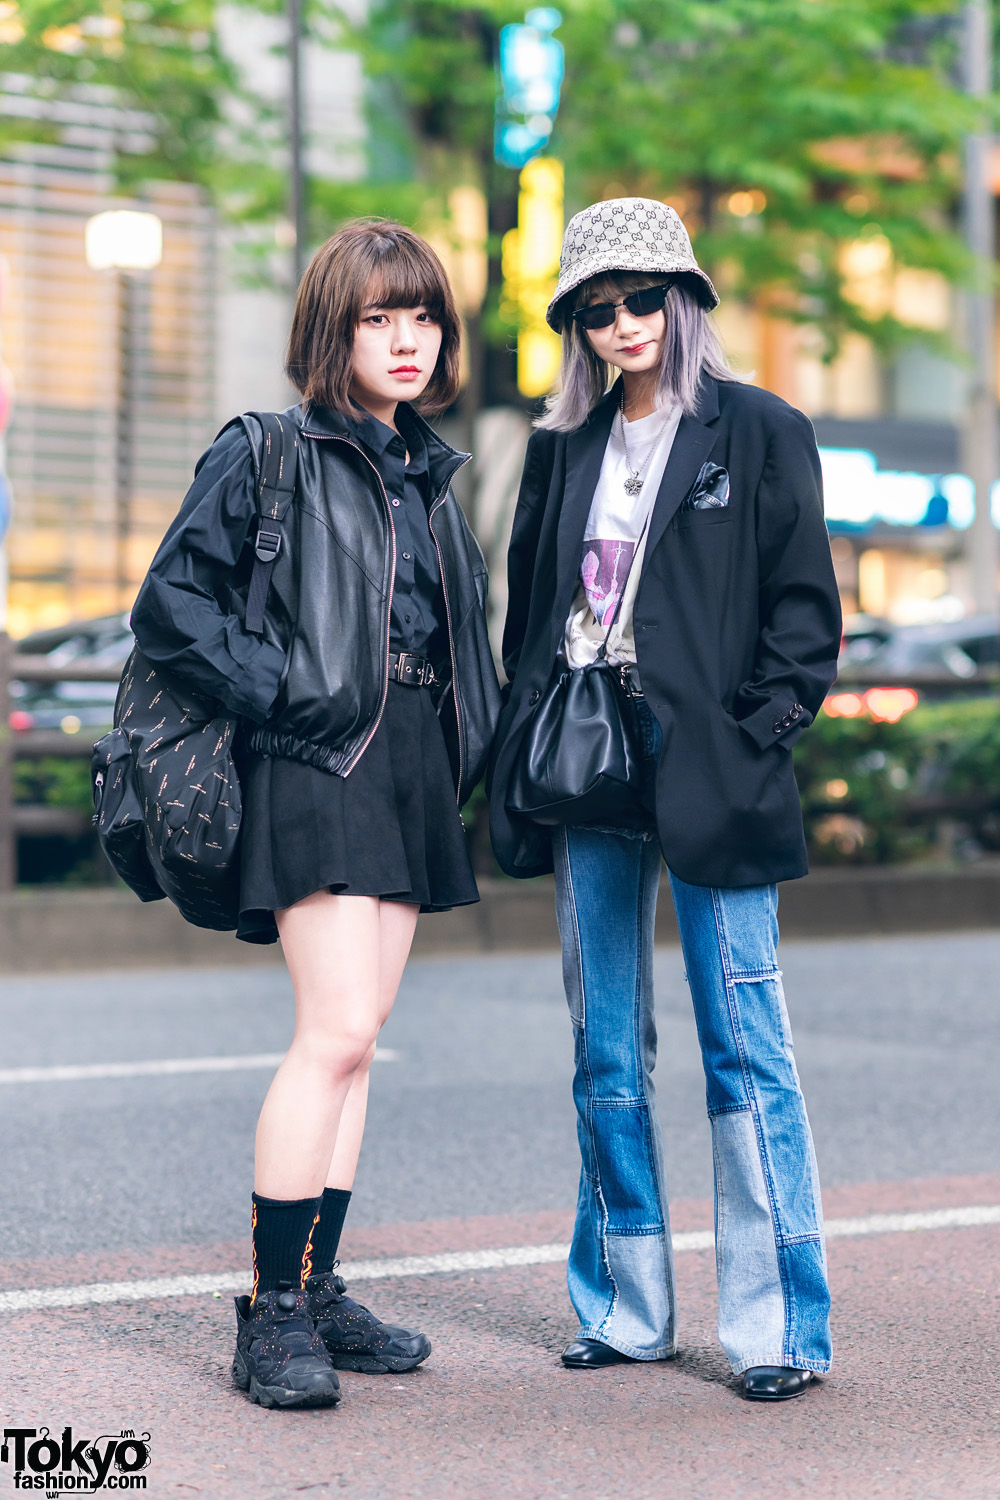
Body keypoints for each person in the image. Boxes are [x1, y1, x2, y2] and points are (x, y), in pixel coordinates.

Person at [132, 220, 500, 1409]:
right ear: (329, 332)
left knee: (363, 1043)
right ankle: (272, 1313)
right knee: (333, 1033)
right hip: (317, 757)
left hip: (406, 761)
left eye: (422, 317)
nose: (406, 340)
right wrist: (283, 689)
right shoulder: (267, 451)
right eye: (376, 319)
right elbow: (170, 607)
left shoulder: (426, 472)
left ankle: (319, 1285)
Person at [488, 198, 842, 1402]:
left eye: (643, 299)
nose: (622, 324)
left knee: (746, 1048)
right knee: (604, 1049)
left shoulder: (759, 430)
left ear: (682, 302)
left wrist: (759, 734)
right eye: (597, 308)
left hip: (712, 765)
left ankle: (777, 1329)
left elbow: (805, 613)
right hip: (587, 758)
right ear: (578, 324)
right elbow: (532, 616)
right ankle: (624, 1306)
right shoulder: (562, 449)